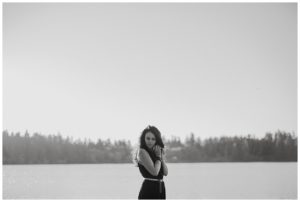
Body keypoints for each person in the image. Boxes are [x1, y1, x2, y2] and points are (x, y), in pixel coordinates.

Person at [133, 125, 168, 199]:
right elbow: (155, 172)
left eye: (153, 139)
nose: (150, 141)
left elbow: (165, 172)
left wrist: (160, 156)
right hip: (149, 189)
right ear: (144, 139)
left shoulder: (156, 152)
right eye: (148, 138)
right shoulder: (142, 152)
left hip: (160, 188)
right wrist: (158, 157)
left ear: (157, 140)